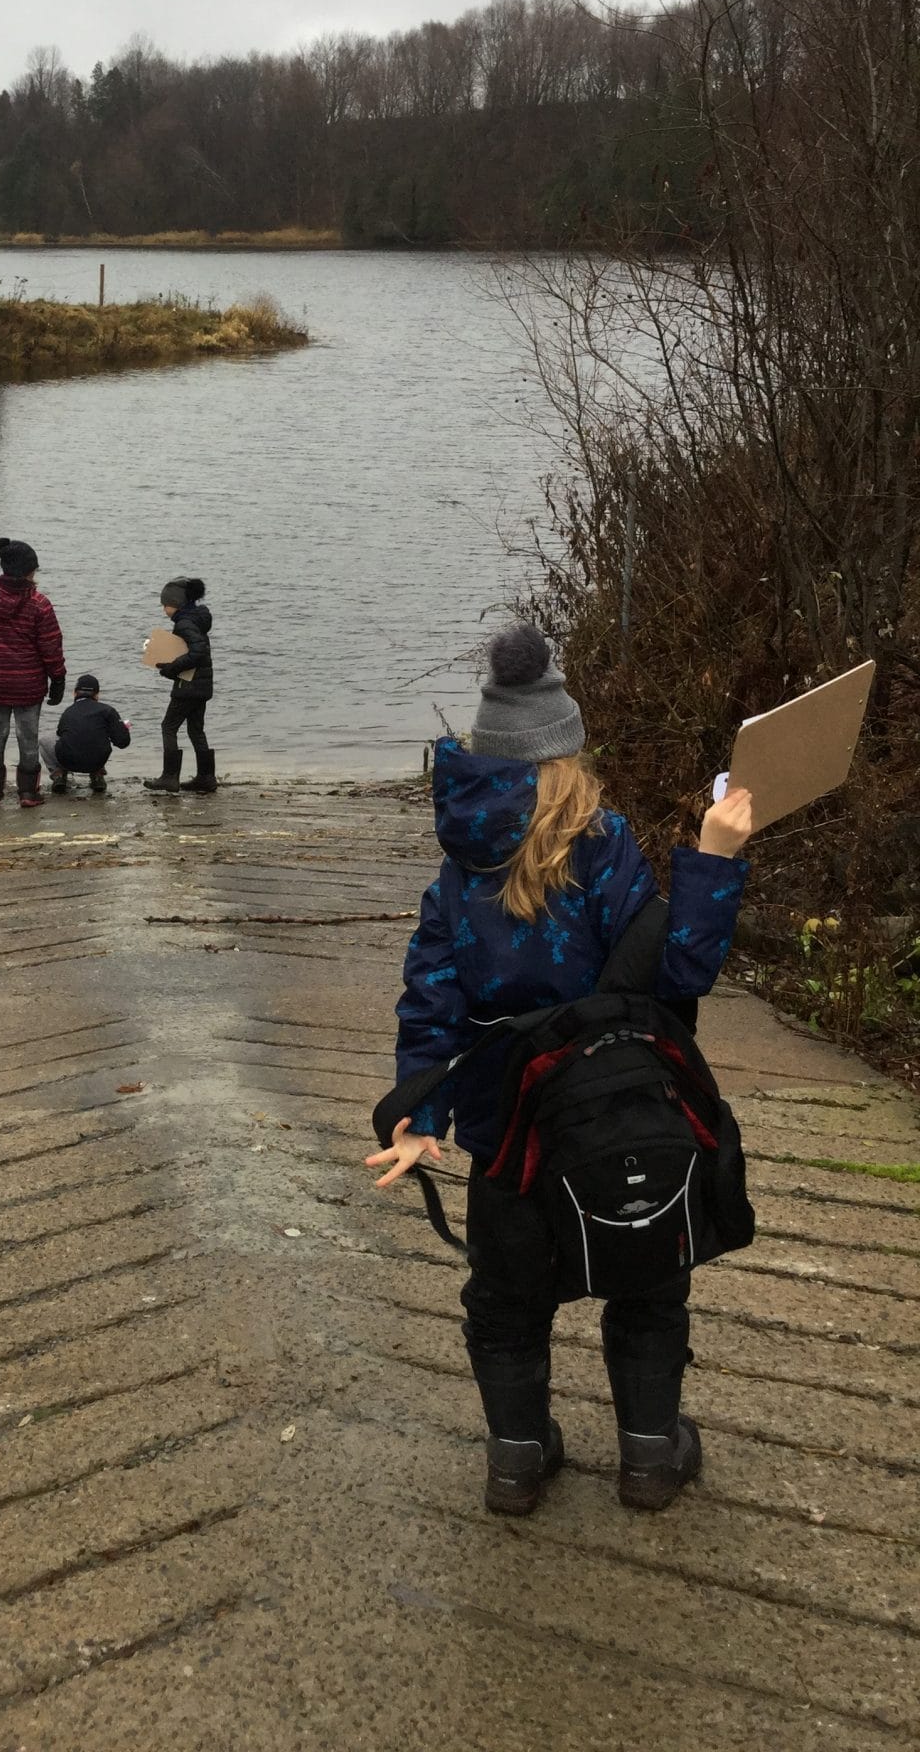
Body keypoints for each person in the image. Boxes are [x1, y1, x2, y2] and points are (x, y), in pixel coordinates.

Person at [366, 622, 753, 1515]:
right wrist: (717, 858)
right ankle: (651, 1457)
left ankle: (517, 1459)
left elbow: (431, 1002)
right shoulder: (605, 846)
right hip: (621, 1114)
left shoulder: (456, 875)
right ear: (565, 757)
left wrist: (417, 1120)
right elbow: (678, 972)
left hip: (509, 1132)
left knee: (505, 1304)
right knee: (650, 1286)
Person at [0, 536, 65, 809]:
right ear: (29, 570)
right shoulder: (39, 604)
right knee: (27, 738)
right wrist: (58, 678)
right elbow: (51, 646)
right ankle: (28, 793)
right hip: (29, 684)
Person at [144, 575, 216, 794]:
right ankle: (206, 777)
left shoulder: (184, 624)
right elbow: (196, 651)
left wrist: (171, 668)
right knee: (196, 730)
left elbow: (196, 652)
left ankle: (169, 777)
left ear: (175, 604)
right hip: (203, 686)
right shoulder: (197, 620)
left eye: (164, 605)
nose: (163, 609)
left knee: (169, 727)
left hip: (188, 686)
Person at [43, 674, 131, 794]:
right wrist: (124, 727)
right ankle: (97, 775)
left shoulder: (68, 712)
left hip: (69, 761)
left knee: (44, 740)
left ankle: (59, 775)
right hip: (97, 761)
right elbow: (122, 742)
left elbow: (60, 735)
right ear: (97, 695)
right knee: (98, 735)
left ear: (75, 693)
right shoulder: (108, 710)